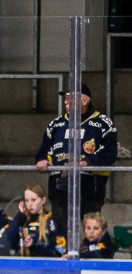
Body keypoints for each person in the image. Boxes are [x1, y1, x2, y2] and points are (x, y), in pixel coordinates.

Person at [35, 83, 116, 220]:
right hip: (59, 186)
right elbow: (44, 150)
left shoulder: (103, 123)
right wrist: (42, 159)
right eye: (66, 98)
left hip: (91, 186)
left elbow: (110, 154)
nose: (65, 102)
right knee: (61, 232)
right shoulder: (56, 124)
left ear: (85, 101)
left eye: (70, 99)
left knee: (90, 228)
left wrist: (86, 163)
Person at [1, 184, 65, 257]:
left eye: (33, 200)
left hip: (42, 265)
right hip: (21, 265)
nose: (29, 204)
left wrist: (33, 245)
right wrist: (19, 216)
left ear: (43, 200)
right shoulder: (21, 220)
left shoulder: (51, 221)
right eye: (27, 200)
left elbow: (58, 251)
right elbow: (7, 241)